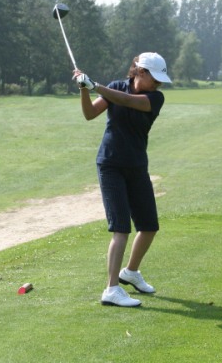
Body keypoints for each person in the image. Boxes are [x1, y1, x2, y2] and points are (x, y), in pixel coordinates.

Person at [73, 52, 171, 308]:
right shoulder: (116, 86)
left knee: (149, 226)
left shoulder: (155, 98)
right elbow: (89, 114)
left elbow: (127, 100)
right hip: (111, 164)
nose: (158, 84)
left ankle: (131, 272)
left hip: (136, 165)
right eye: (154, 78)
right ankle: (111, 289)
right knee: (121, 228)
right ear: (140, 72)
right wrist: (84, 89)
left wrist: (95, 85)